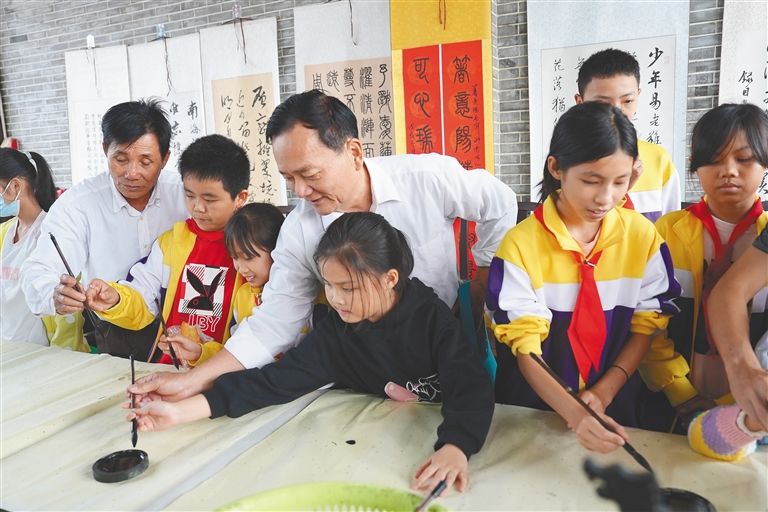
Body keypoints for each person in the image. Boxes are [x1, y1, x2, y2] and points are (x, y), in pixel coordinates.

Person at [129, 90, 517, 401]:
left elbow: (500, 204)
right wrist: (194, 380)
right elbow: (274, 321)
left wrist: (484, 276)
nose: (300, 191)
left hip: (445, 339)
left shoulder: (425, 178)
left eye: (309, 174)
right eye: (288, 178)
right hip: (366, 364)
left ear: (354, 152)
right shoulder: (301, 230)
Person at [127, 212, 495, 496]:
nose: (335, 299)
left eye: (348, 288)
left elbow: (470, 386)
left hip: (444, 435)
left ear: (390, 279)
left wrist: (455, 446)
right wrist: (179, 411)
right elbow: (272, 383)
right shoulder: (338, 331)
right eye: (328, 286)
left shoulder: (430, 318)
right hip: (374, 447)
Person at [486, 102, 680, 453]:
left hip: (616, 405)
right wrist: (575, 413)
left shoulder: (643, 238)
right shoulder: (520, 245)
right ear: (556, 168)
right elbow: (525, 347)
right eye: (591, 181)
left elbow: (646, 326)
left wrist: (604, 392)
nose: (606, 198)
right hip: (533, 410)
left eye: (620, 182)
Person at [638, 103, 768, 432]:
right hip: (665, 401)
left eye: (744, 159)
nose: (729, 171)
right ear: (695, 165)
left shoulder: (765, 240)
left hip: (749, 409)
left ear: (765, 163)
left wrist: (737, 400)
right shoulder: (666, 231)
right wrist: (678, 390)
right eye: (714, 159)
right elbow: (646, 319)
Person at [20, 99, 188, 351]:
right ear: (104, 149)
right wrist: (53, 294)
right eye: (121, 159)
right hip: (115, 330)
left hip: (187, 325)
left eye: (145, 162)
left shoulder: (187, 195)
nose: (132, 173)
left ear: (165, 159)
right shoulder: (78, 204)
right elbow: (39, 268)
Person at [85, 135, 251, 364]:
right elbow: (143, 296)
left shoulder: (254, 249)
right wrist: (116, 299)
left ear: (240, 197)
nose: (198, 208)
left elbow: (257, 331)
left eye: (210, 200)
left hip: (226, 371)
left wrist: (203, 354)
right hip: (168, 368)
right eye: (190, 196)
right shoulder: (172, 242)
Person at [156, 202, 285, 366]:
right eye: (235, 258)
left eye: (248, 258)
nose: (241, 268)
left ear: (277, 250)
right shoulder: (243, 294)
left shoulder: (303, 294)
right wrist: (199, 353)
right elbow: (236, 352)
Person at [575, 48, 680, 222]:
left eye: (628, 101)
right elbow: (558, 227)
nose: (617, 111)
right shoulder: (565, 160)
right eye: (602, 103)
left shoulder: (659, 159)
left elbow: (671, 229)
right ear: (580, 103)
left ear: (638, 95)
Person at [0, 148, 71, 346]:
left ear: (15, 185)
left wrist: (62, 355)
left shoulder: (51, 233)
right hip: (7, 345)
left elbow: (66, 307)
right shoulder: (4, 232)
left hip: (40, 351)